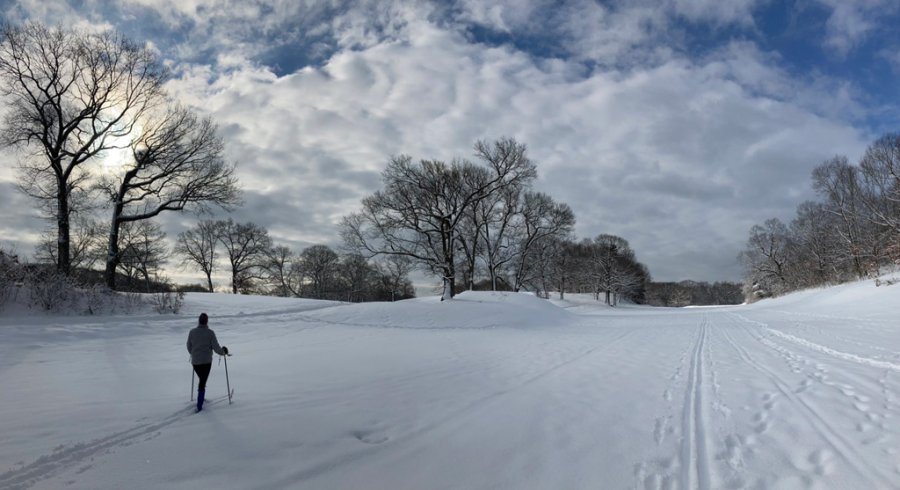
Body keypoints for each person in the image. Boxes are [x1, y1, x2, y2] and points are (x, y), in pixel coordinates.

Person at [186, 312, 228, 412]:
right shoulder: (210, 333)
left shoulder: (192, 332)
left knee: (202, 380)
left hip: (195, 362)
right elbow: (216, 348)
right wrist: (224, 352)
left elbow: (188, 346)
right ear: (207, 322)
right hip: (206, 362)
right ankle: (199, 405)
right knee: (202, 381)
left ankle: (201, 397)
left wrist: (193, 353)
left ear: (199, 321)